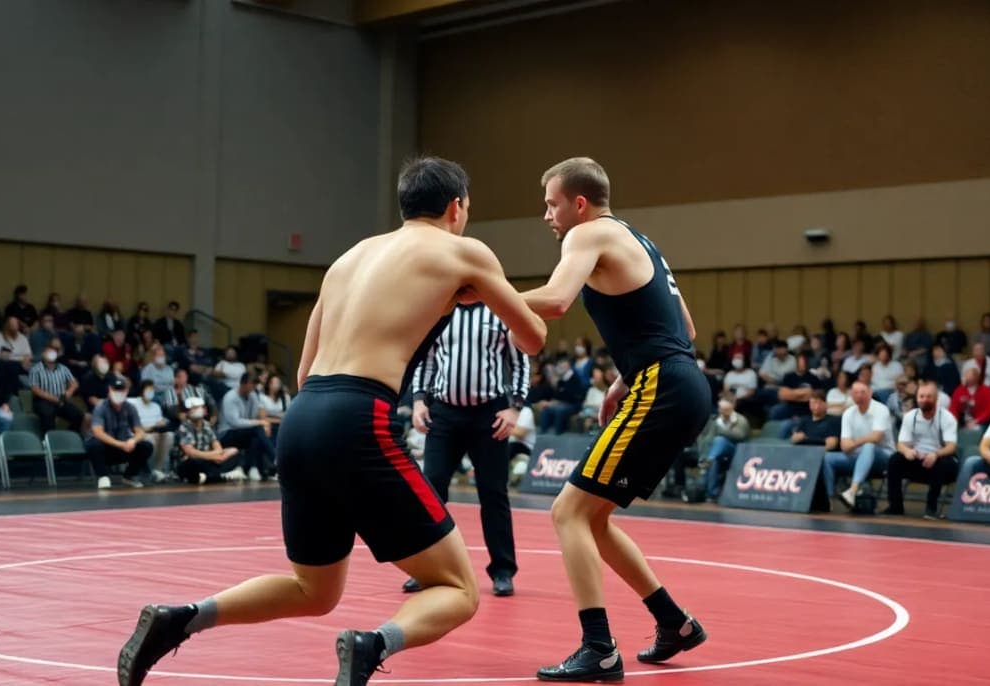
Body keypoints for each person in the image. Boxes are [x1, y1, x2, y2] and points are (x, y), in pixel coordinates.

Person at [116, 156, 546, 686]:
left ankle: (181, 619)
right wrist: (481, 291)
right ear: (457, 207)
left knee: (314, 590)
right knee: (458, 588)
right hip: (359, 415)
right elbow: (531, 339)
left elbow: (301, 370)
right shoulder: (463, 252)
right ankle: (372, 646)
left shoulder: (349, 258)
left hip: (304, 416)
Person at [521, 158, 710, 681]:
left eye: (551, 204)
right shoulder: (635, 238)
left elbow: (556, 302)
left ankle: (598, 647)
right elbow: (684, 328)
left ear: (578, 203)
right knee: (593, 516)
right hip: (677, 381)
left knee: (568, 513)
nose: (547, 216)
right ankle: (675, 623)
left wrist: (482, 294)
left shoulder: (587, 235)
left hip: (663, 386)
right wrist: (623, 380)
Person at [403, 302, 531, 596]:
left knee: (493, 492)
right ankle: (426, 567)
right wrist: (420, 400)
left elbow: (520, 361)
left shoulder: (500, 311)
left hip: (490, 414)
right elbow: (426, 357)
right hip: (445, 413)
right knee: (431, 488)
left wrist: (515, 408)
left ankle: (502, 570)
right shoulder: (440, 310)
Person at [884, 380, 959, 519]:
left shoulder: (947, 418)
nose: (924, 400)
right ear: (917, 398)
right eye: (921, 396)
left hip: (943, 461)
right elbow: (901, 444)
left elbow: (951, 447)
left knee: (941, 464)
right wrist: (908, 451)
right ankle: (895, 506)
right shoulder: (910, 417)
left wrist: (935, 454)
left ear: (936, 399)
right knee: (895, 459)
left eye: (928, 396)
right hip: (918, 460)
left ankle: (931, 509)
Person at [823, 381, 895, 511]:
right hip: (857, 456)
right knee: (828, 458)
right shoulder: (848, 413)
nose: (859, 395)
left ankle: (852, 491)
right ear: (851, 394)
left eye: (863, 392)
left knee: (869, 446)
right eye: (856, 392)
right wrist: (853, 445)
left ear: (870, 393)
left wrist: (855, 443)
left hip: (884, 457)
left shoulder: (881, 409)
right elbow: (844, 446)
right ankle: (828, 500)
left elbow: (876, 438)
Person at [86, 377, 151, 490]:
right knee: (93, 444)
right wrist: (119, 444)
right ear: (110, 390)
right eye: (115, 390)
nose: (118, 393)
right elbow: (98, 432)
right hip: (105, 448)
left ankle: (129, 476)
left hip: (124, 446)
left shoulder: (130, 408)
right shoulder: (101, 407)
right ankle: (103, 476)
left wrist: (133, 440)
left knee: (146, 446)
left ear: (126, 391)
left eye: (121, 390)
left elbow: (140, 431)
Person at [175, 396, 244, 484]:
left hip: (207, 459)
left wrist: (218, 456)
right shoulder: (184, 427)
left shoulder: (207, 426)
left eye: (200, 407)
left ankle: (208, 476)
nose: (198, 410)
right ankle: (220, 476)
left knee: (234, 451)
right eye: (194, 408)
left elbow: (218, 448)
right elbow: (191, 452)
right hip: (191, 461)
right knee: (192, 462)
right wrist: (213, 456)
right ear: (187, 412)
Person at [28, 339, 83, 435]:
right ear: (44, 352)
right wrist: (53, 398)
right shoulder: (36, 369)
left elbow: (74, 383)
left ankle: (69, 436)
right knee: (48, 413)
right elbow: (35, 389)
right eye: (49, 350)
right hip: (43, 401)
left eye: (55, 350)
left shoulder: (63, 368)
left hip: (61, 400)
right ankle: (50, 440)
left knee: (78, 415)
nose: (52, 352)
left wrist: (69, 392)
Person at [128, 380, 175, 483]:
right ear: (142, 391)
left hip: (155, 431)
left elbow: (160, 422)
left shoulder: (156, 406)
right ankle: (147, 471)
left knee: (169, 435)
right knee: (151, 438)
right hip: (139, 433)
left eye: (152, 390)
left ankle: (157, 470)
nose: (151, 392)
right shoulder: (132, 403)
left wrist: (162, 424)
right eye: (148, 390)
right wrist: (149, 428)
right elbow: (132, 424)